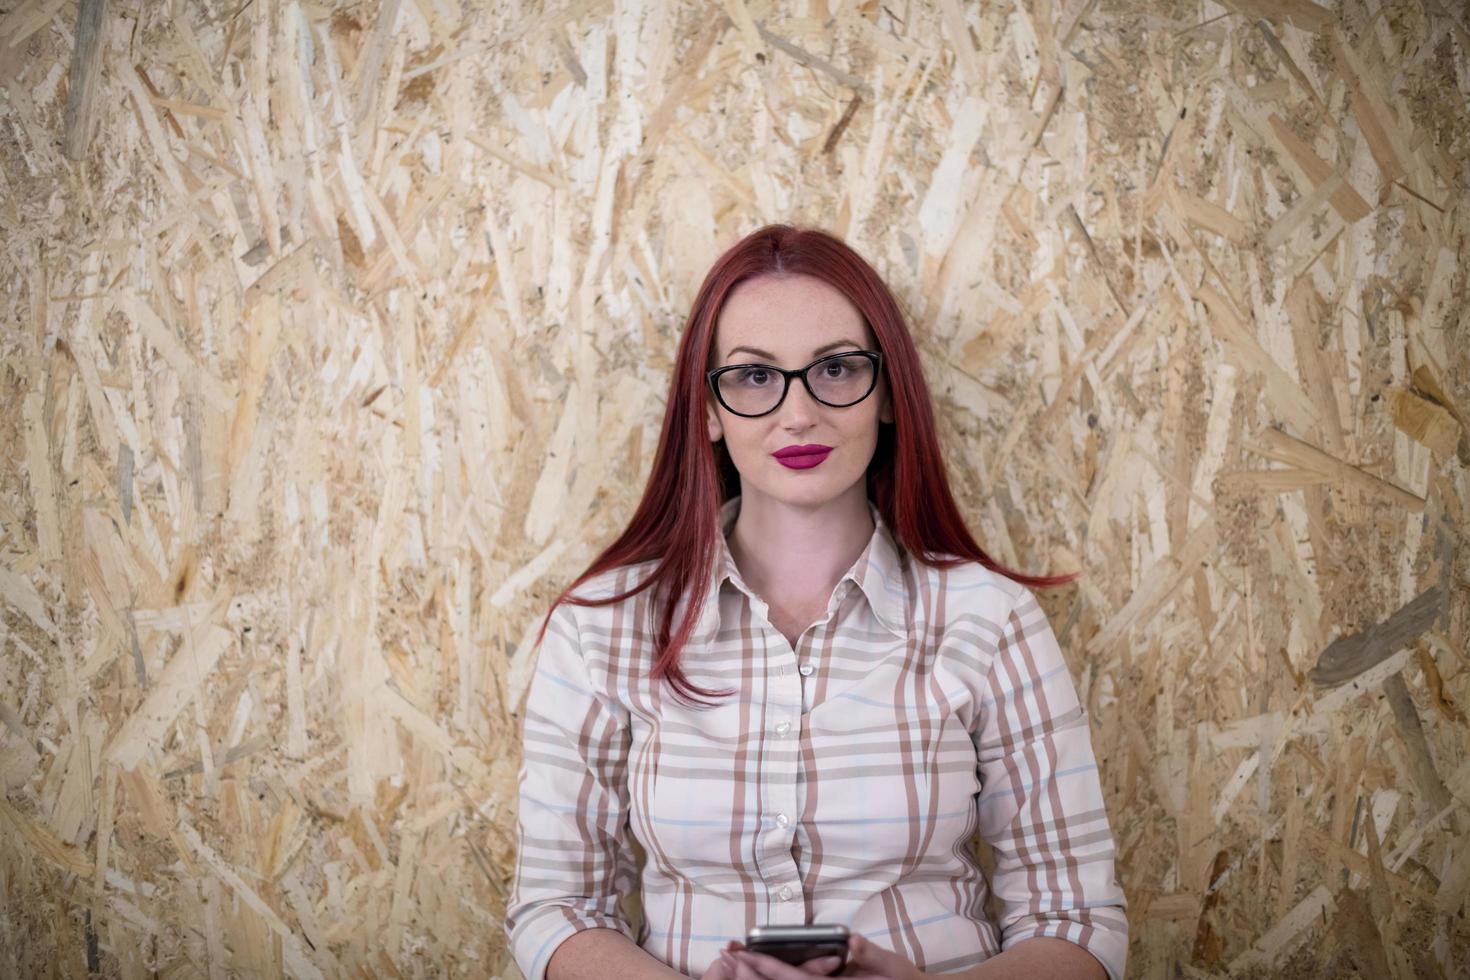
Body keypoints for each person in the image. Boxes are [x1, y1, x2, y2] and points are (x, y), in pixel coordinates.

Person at [504, 224, 1127, 980]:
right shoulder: (603, 626)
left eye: (836, 368)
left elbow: (1077, 923)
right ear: (707, 411)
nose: (798, 414)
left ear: (889, 393)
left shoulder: (989, 620)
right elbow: (556, 908)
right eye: (754, 377)